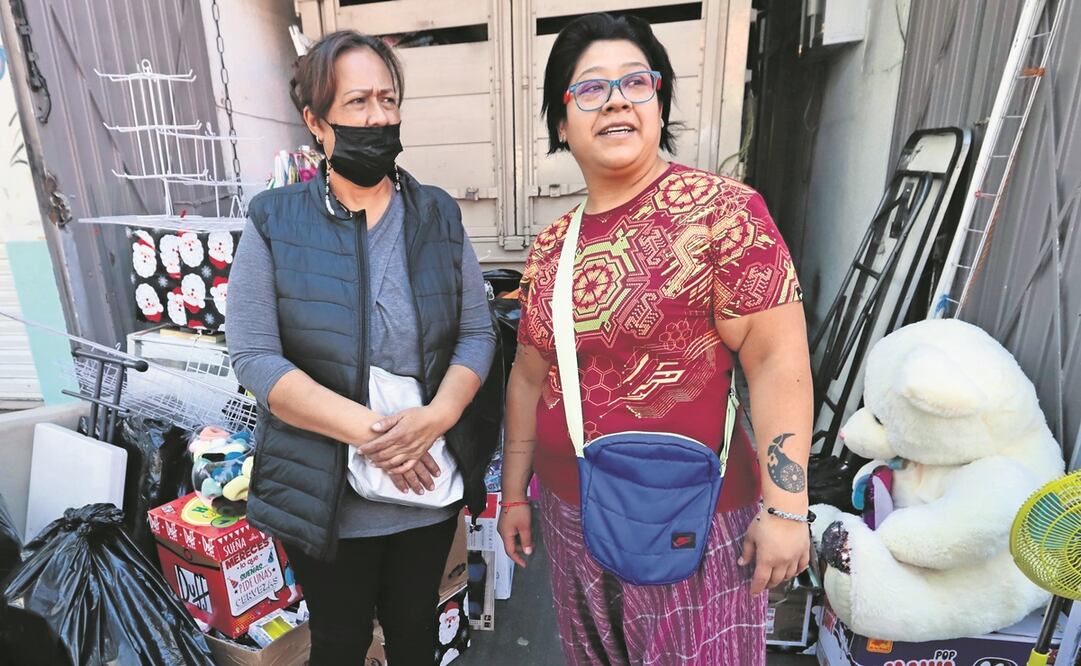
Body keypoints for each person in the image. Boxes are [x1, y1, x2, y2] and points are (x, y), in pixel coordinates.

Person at [497, 13, 812, 666]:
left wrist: (786, 509)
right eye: (589, 88)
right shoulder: (553, 245)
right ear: (561, 124)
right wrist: (513, 495)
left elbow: (777, 360)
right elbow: (530, 376)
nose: (614, 98)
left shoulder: (724, 213)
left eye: (635, 82)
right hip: (569, 511)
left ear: (658, 102)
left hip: (690, 516)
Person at [227, 31, 498, 666]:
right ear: (316, 122)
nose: (378, 117)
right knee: (341, 642)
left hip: (427, 483)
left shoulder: (436, 215)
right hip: (326, 492)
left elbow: (477, 334)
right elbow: (256, 357)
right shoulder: (275, 220)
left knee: (414, 634)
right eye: (357, 103)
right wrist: (380, 436)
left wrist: (435, 420)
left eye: (388, 99)